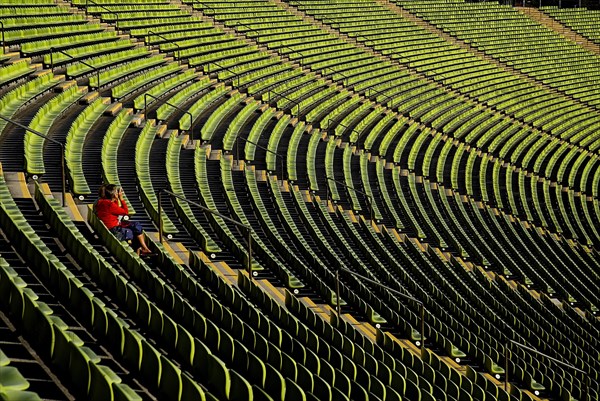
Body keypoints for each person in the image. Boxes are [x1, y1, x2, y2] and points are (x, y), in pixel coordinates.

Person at [95, 184, 152, 255]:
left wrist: (116, 199)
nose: (118, 193)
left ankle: (144, 248)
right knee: (133, 232)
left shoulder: (101, 202)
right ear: (113, 194)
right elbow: (125, 212)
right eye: (116, 192)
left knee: (136, 225)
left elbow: (116, 208)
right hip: (114, 229)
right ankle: (141, 250)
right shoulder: (110, 205)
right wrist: (121, 199)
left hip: (112, 227)